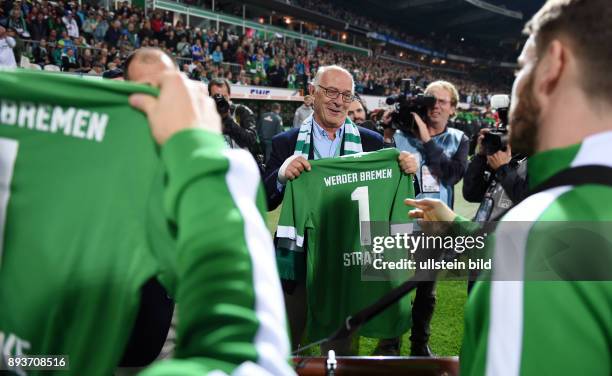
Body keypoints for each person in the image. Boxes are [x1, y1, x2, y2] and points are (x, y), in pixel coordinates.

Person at [408, 0, 612, 374]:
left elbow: (542, 248)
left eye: (521, 67)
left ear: (554, 65)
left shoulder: (540, 233)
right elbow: (574, 245)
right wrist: (457, 224)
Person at [128, 69, 294, 376]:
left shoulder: (237, 121)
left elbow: (251, 146)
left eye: (222, 97)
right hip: (158, 286)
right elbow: (252, 351)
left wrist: (225, 120)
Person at [263, 65, 417, 354]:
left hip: (349, 260)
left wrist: (410, 170)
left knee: (340, 348)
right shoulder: (286, 141)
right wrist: (282, 175)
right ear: (312, 93)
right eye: (331, 91)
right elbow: (264, 198)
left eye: (346, 95)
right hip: (298, 261)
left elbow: (403, 192)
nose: (338, 101)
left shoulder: (371, 143)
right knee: (288, 342)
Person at [388, 80, 469, 357]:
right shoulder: (399, 135)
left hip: (435, 227)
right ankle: (390, 342)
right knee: (394, 285)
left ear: (453, 109)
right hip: (400, 221)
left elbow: (451, 175)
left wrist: (425, 139)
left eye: (443, 102)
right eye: (431, 100)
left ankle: (419, 345)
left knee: (426, 290)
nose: (435, 106)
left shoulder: (459, 139)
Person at [207, 78, 261, 163]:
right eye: (216, 97)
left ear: (229, 95)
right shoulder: (204, 115)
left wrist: (227, 119)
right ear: (209, 97)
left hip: (239, 166)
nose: (221, 101)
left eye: (224, 96)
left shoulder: (241, 111)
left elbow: (251, 140)